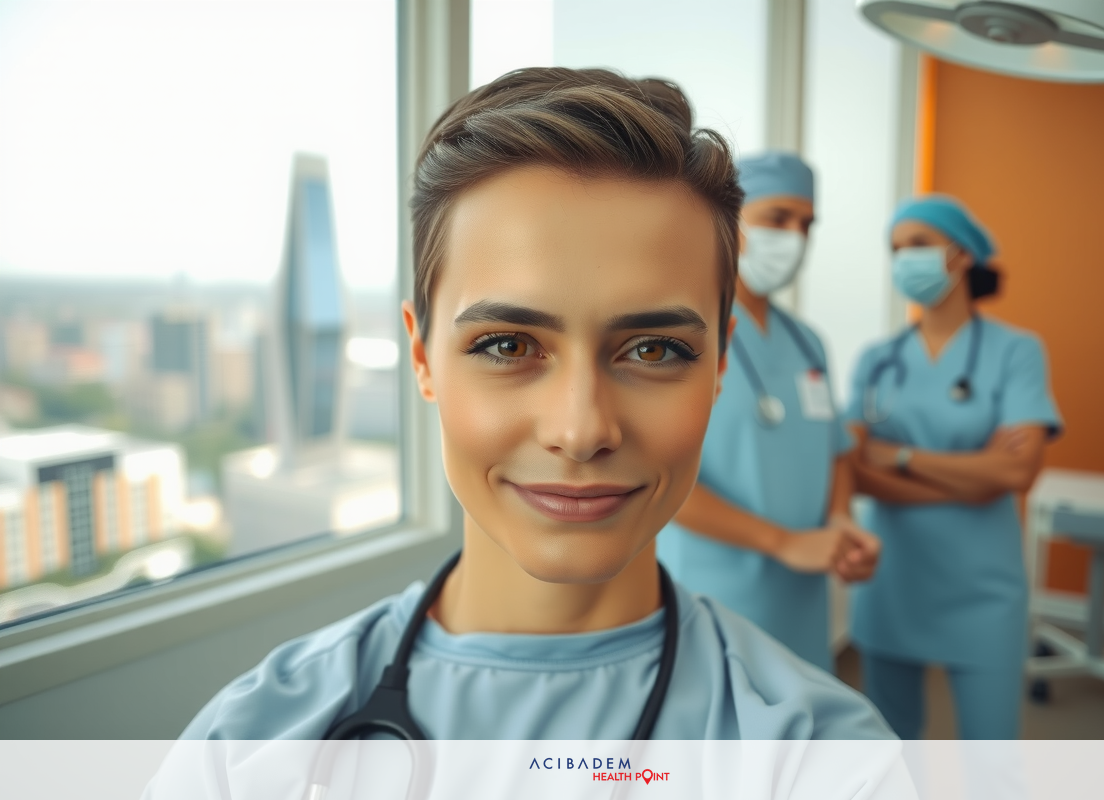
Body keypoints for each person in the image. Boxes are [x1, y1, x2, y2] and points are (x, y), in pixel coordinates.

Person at [176, 69, 894, 741]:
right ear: (422, 358)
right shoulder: (248, 744)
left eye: (652, 350)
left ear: (720, 364)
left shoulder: (830, 753)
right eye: (508, 346)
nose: (581, 431)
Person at [846, 194, 1063, 740]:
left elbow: (1018, 475)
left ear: (962, 255)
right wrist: (975, 474)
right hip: (892, 581)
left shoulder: (1017, 352)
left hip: (983, 591)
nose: (903, 260)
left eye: (917, 245)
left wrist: (899, 457)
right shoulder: (877, 359)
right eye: (895, 250)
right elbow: (852, 471)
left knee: (991, 760)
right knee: (890, 753)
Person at [657, 151, 880, 673]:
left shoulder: (808, 344)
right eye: (778, 218)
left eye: (807, 224)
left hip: (801, 592)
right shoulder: (674, 334)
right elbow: (656, 477)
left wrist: (841, 521)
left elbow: (837, 452)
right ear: (728, 220)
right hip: (712, 589)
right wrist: (783, 542)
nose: (795, 238)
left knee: (796, 735)